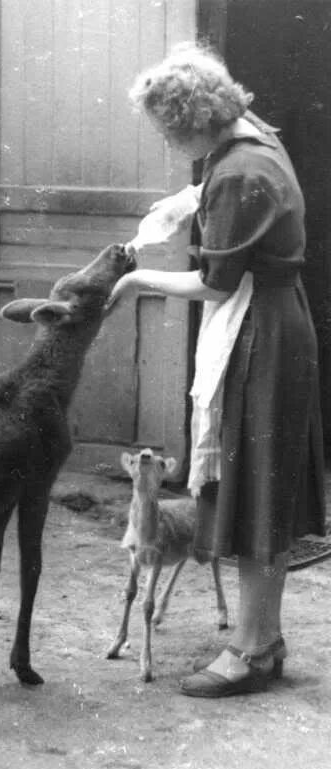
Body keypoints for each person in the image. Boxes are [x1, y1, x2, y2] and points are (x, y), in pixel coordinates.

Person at [107, 44, 326, 697]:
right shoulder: (256, 142)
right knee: (266, 490)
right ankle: (266, 634)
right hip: (280, 321)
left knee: (258, 491)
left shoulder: (240, 172)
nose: (166, 139)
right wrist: (183, 203)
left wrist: (140, 276)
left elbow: (214, 281)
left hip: (261, 334)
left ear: (192, 119)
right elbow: (218, 190)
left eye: (167, 129)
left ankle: (253, 650)